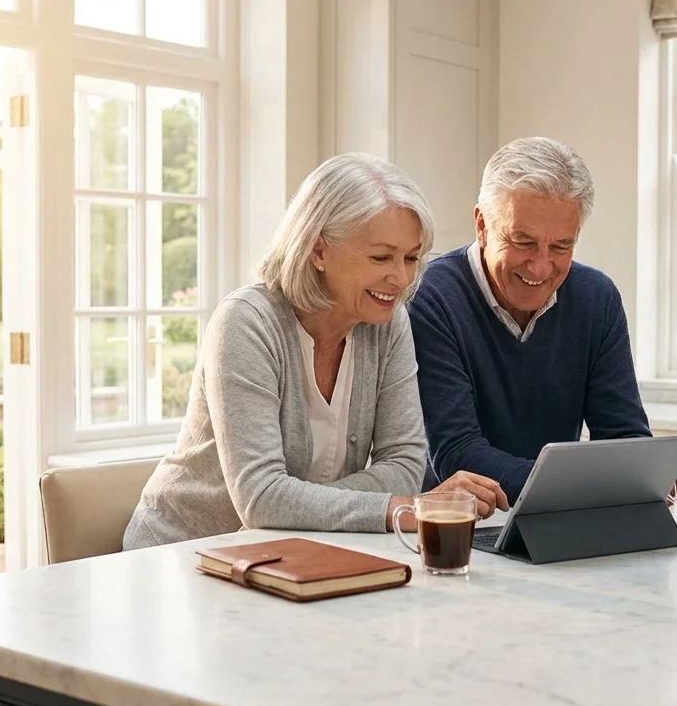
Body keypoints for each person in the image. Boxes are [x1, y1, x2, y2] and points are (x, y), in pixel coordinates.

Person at [122, 153, 506, 550]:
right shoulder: (245, 323)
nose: (402, 278)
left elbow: (405, 466)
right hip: (180, 555)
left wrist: (296, 503)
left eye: (411, 258)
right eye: (381, 257)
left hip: (290, 552)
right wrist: (401, 509)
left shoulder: (389, 324)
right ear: (318, 250)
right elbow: (261, 498)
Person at [408, 136, 651, 505]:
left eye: (560, 246)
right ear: (482, 225)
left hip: (558, 516)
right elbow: (456, 452)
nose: (540, 265)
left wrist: (644, 472)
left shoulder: (597, 298)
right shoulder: (431, 296)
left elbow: (623, 435)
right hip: (459, 526)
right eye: (522, 241)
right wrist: (583, 488)